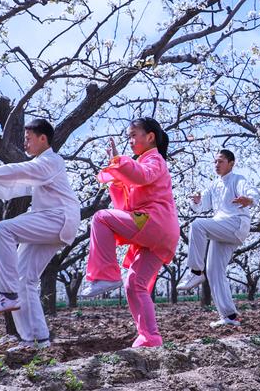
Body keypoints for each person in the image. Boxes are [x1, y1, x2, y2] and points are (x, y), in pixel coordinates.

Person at [0, 118, 81, 350]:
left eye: (28, 138)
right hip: (55, 224)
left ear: (43, 138)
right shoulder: (43, 166)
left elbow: (24, 171)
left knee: (3, 228)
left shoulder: (51, 161)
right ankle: (36, 340)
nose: (25, 143)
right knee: (25, 279)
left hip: (58, 218)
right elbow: (20, 182)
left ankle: (6, 294)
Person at [78, 117, 180, 348]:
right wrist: (118, 178)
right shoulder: (144, 163)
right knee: (135, 283)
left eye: (134, 135)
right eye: (129, 137)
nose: (131, 141)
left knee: (101, 217)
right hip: (159, 234)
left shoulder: (154, 159)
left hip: (154, 222)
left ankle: (105, 274)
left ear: (150, 137)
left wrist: (118, 162)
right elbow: (125, 208)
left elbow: (141, 175)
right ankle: (150, 337)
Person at [176, 149, 260, 328]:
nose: (217, 165)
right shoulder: (214, 185)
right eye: (215, 162)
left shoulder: (238, 179)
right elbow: (201, 207)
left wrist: (249, 199)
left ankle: (195, 272)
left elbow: (250, 191)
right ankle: (229, 315)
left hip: (236, 224)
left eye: (221, 161)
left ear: (231, 163)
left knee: (197, 225)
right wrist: (197, 200)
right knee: (214, 270)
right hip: (221, 228)